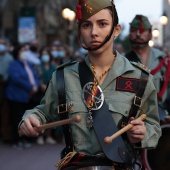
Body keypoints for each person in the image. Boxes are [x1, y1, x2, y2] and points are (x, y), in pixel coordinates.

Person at [18, 0, 161, 170]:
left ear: (116, 30)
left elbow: (153, 126)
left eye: (102, 24)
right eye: (86, 25)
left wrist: (143, 133)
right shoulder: (63, 76)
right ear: (80, 30)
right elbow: (42, 112)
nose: (94, 32)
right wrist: (31, 119)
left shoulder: (140, 78)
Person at [125, 15, 169, 121]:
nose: (138, 34)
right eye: (134, 30)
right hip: (131, 117)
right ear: (130, 34)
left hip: (161, 116)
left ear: (150, 34)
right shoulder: (123, 62)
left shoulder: (163, 60)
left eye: (143, 31)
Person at [6, 44, 39, 149]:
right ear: (17, 53)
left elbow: (35, 76)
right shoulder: (14, 64)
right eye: (23, 50)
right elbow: (16, 79)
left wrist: (35, 86)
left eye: (26, 50)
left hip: (29, 96)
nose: (25, 52)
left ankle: (25, 139)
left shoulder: (28, 64)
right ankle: (17, 140)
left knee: (26, 119)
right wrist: (30, 87)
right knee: (17, 118)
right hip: (17, 96)